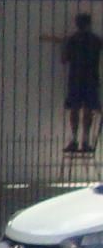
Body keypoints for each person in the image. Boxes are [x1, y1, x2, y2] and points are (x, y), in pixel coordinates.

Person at [52, 14, 103, 154]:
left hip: (76, 80)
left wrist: (63, 44)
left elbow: (63, 59)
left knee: (75, 110)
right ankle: (85, 141)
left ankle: (75, 140)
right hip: (91, 81)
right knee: (88, 110)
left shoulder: (72, 40)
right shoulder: (96, 40)